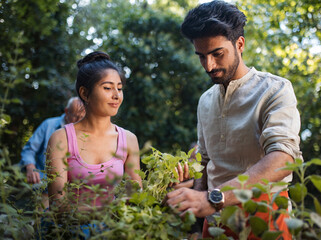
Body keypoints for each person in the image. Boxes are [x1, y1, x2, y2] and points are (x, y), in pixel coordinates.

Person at [166, 1, 302, 239]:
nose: (209, 65)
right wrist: (191, 197)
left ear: (240, 44)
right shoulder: (205, 101)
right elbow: (206, 161)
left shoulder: (275, 90)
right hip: (216, 220)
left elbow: (283, 157)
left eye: (217, 54)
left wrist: (213, 197)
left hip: (265, 216)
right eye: (201, 56)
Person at [46, 51, 142, 211]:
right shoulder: (61, 138)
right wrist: (110, 212)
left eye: (119, 88)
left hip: (116, 232)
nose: (117, 95)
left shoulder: (129, 139)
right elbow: (58, 206)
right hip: (72, 232)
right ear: (85, 93)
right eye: (107, 88)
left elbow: (136, 197)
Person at [20, 97, 85, 184]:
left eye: (82, 117)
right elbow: (29, 149)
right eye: (75, 116)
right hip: (43, 185)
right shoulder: (48, 125)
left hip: (72, 190)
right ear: (66, 112)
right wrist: (30, 166)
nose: (78, 121)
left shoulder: (85, 133)